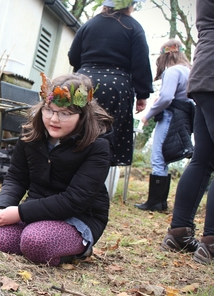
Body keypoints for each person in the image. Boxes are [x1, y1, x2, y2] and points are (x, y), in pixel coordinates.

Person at [0, 73, 113, 266]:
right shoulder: (30, 134)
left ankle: (77, 250)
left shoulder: (97, 147)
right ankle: (34, 240)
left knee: (36, 242)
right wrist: (2, 210)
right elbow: (16, 178)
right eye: (49, 110)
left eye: (64, 113)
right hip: (35, 212)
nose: (54, 119)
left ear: (82, 115)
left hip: (78, 218)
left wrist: (19, 213)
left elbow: (74, 201)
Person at [68, 0, 153, 167]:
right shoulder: (134, 27)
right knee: (105, 140)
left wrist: (84, 72)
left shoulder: (89, 24)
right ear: (129, 5)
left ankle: (69, 184)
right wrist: (142, 95)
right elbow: (140, 63)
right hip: (116, 87)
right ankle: (92, 186)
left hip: (82, 83)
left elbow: (73, 56)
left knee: (75, 133)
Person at [161, 0, 214, 265]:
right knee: (203, 160)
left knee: (203, 159)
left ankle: (179, 232)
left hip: (205, 74)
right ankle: (211, 242)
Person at [135, 39, 195, 212]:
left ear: (166, 55)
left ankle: (155, 202)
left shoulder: (173, 71)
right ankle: (159, 202)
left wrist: (148, 115)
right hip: (184, 117)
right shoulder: (189, 70)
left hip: (170, 117)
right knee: (165, 157)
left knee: (159, 158)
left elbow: (167, 97)